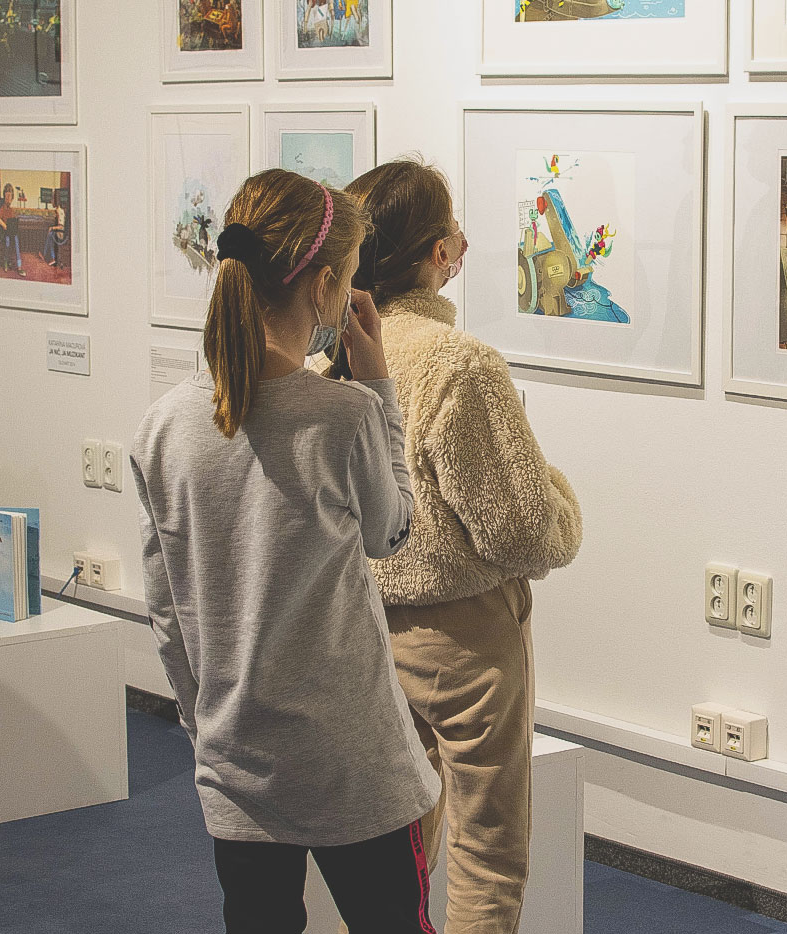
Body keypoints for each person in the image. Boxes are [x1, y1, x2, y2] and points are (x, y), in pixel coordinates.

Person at [130, 168, 440, 933]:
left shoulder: (162, 428)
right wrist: (380, 388)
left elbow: (167, 614)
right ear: (326, 286)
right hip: (352, 761)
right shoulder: (344, 417)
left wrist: (206, 726)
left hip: (237, 755)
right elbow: (392, 531)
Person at [339, 158, 583, 934]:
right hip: (467, 645)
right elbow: (521, 529)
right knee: (488, 853)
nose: (466, 245)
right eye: (454, 232)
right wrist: (562, 500)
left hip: (364, 629)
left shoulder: (336, 352)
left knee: (390, 852)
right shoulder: (458, 363)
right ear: (435, 253)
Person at [0, 183, 23, 277]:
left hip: (12, 231)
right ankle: (5, 262)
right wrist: (5, 226)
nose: (8, 199)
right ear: (4, 196)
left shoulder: (11, 210)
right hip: (5, 232)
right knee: (7, 243)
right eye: (7, 197)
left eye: (10, 197)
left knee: (16, 243)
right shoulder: (2, 208)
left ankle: (19, 266)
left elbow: (12, 220)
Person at [42, 202, 66, 267]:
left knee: (50, 234)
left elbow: (61, 226)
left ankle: (50, 257)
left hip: (60, 234)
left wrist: (52, 228)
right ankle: (46, 255)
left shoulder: (60, 211)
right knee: (50, 234)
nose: (51, 202)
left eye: (52, 200)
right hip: (58, 232)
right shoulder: (58, 210)